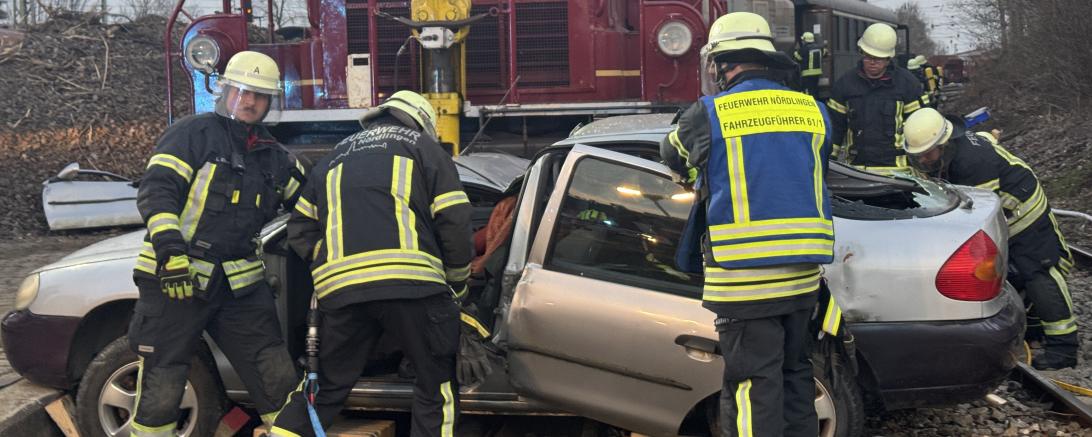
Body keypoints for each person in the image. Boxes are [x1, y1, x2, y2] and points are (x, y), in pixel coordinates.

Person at [661, 12, 834, 437]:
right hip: (802, 279)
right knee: (796, 378)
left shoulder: (708, 113)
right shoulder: (814, 110)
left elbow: (672, 154)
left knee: (752, 387)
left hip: (744, 281)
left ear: (722, 64)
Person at [270, 90, 473, 437]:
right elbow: (454, 219)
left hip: (342, 291)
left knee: (326, 384)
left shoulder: (333, 158)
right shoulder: (424, 149)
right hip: (412, 286)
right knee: (435, 381)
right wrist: (457, 284)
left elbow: (299, 227)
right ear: (423, 124)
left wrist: (327, 262)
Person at [128, 50, 305, 436]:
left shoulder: (276, 158)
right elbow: (157, 192)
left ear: (270, 102)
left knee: (275, 374)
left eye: (259, 95)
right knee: (164, 382)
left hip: (240, 289)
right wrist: (170, 253)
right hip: (176, 281)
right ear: (225, 91)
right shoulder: (193, 134)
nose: (249, 100)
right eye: (241, 90)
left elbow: (311, 205)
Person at [903, 108, 1078, 370]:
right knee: (1012, 273)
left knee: (1038, 273)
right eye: (918, 156)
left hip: (1023, 214)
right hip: (1004, 214)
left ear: (944, 143)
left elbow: (979, 216)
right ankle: (1037, 326)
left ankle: (1064, 347)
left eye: (928, 154)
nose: (924, 160)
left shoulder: (973, 163)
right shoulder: (948, 153)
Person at [827, 23, 929, 175]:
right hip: (857, 172)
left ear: (889, 59)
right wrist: (828, 163)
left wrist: (922, 169)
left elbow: (921, 129)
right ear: (861, 53)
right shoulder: (845, 85)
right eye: (868, 57)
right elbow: (834, 129)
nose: (872, 62)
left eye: (879, 59)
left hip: (899, 174)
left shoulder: (907, 85)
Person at [793, 31, 827, 95]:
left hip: (807, 74)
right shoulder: (819, 48)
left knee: (808, 91)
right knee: (815, 89)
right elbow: (825, 53)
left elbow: (798, 59)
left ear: (805, 40)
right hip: (817, 73)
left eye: (803, 40)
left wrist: (795, 51)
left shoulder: (804, 49)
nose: (802, 41)